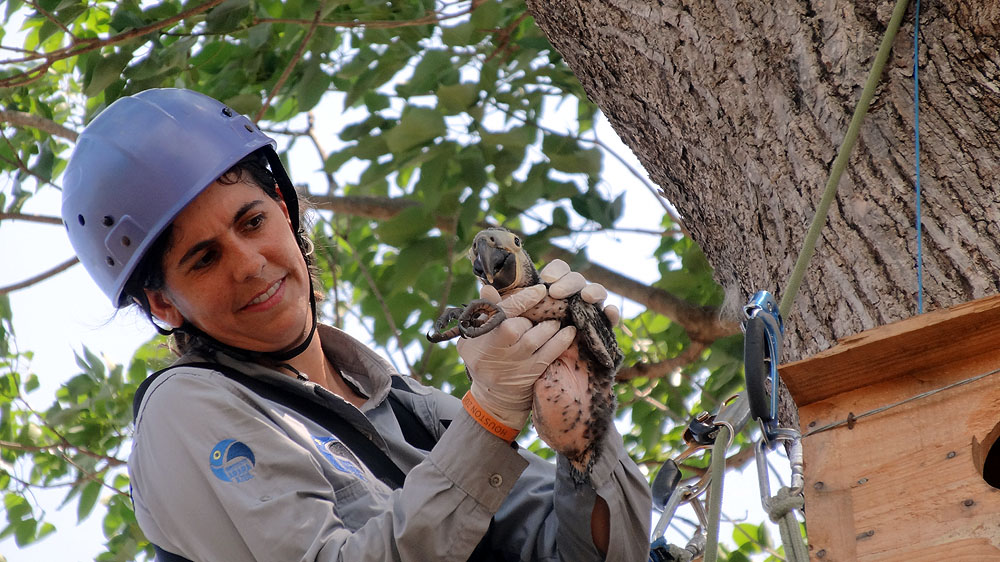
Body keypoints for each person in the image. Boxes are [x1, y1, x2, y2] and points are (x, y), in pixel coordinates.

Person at [61, 88, 652, 561]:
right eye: (204, 258)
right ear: (163, 306)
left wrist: (584, 439)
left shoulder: (412, 409)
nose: (249, 264)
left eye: (251, 221)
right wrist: (492, 415)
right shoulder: (186, 410)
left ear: (286, 213)